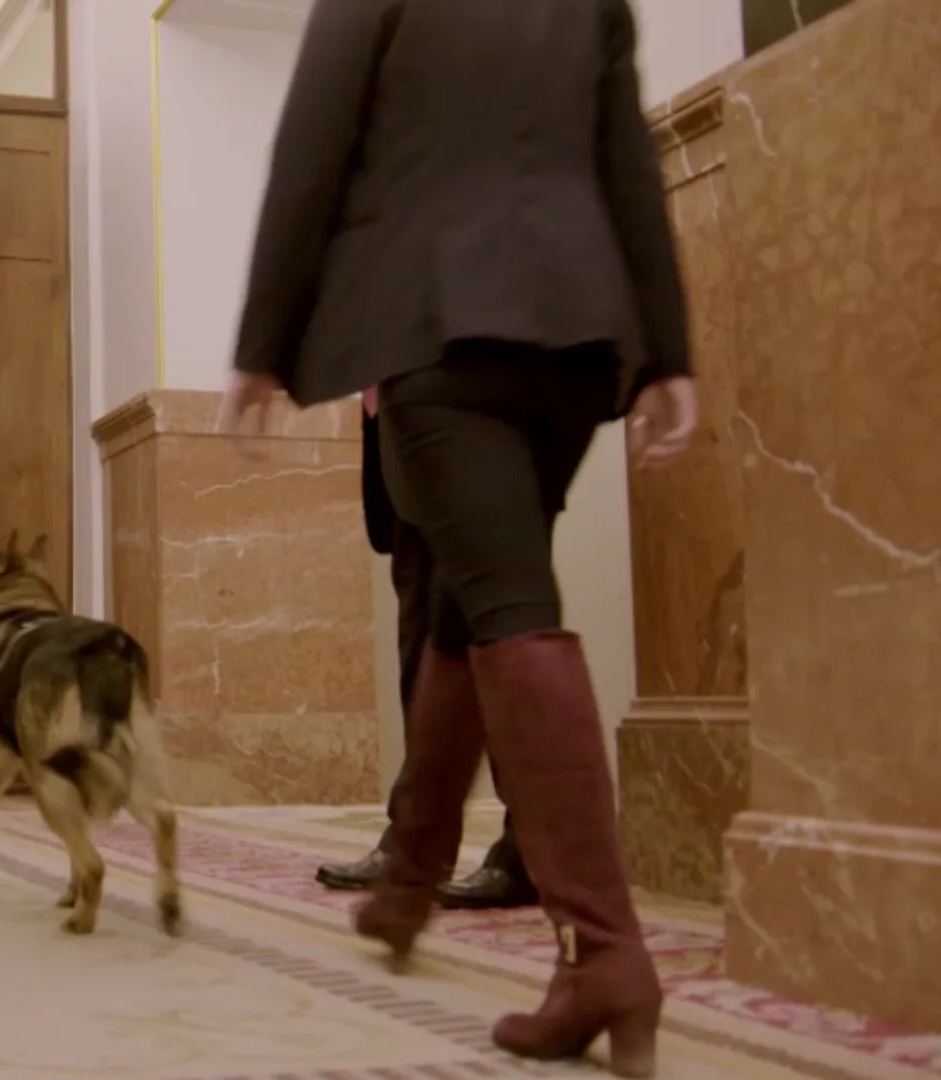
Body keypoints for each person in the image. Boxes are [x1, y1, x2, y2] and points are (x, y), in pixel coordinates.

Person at [220, 1, 698, 1075]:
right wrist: (667, 352)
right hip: (578, 346)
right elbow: (628, 166)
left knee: (508, 607)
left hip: (435, 329)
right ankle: (410, 881)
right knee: (464, 604)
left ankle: (605, 954)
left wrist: (262, 344)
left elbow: (312, 154)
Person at [316, 401, 538, 912]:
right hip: (405, 441)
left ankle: (527, 848)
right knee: (421, 643)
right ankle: (414, 842)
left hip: (474, 419)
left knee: (499, 639)